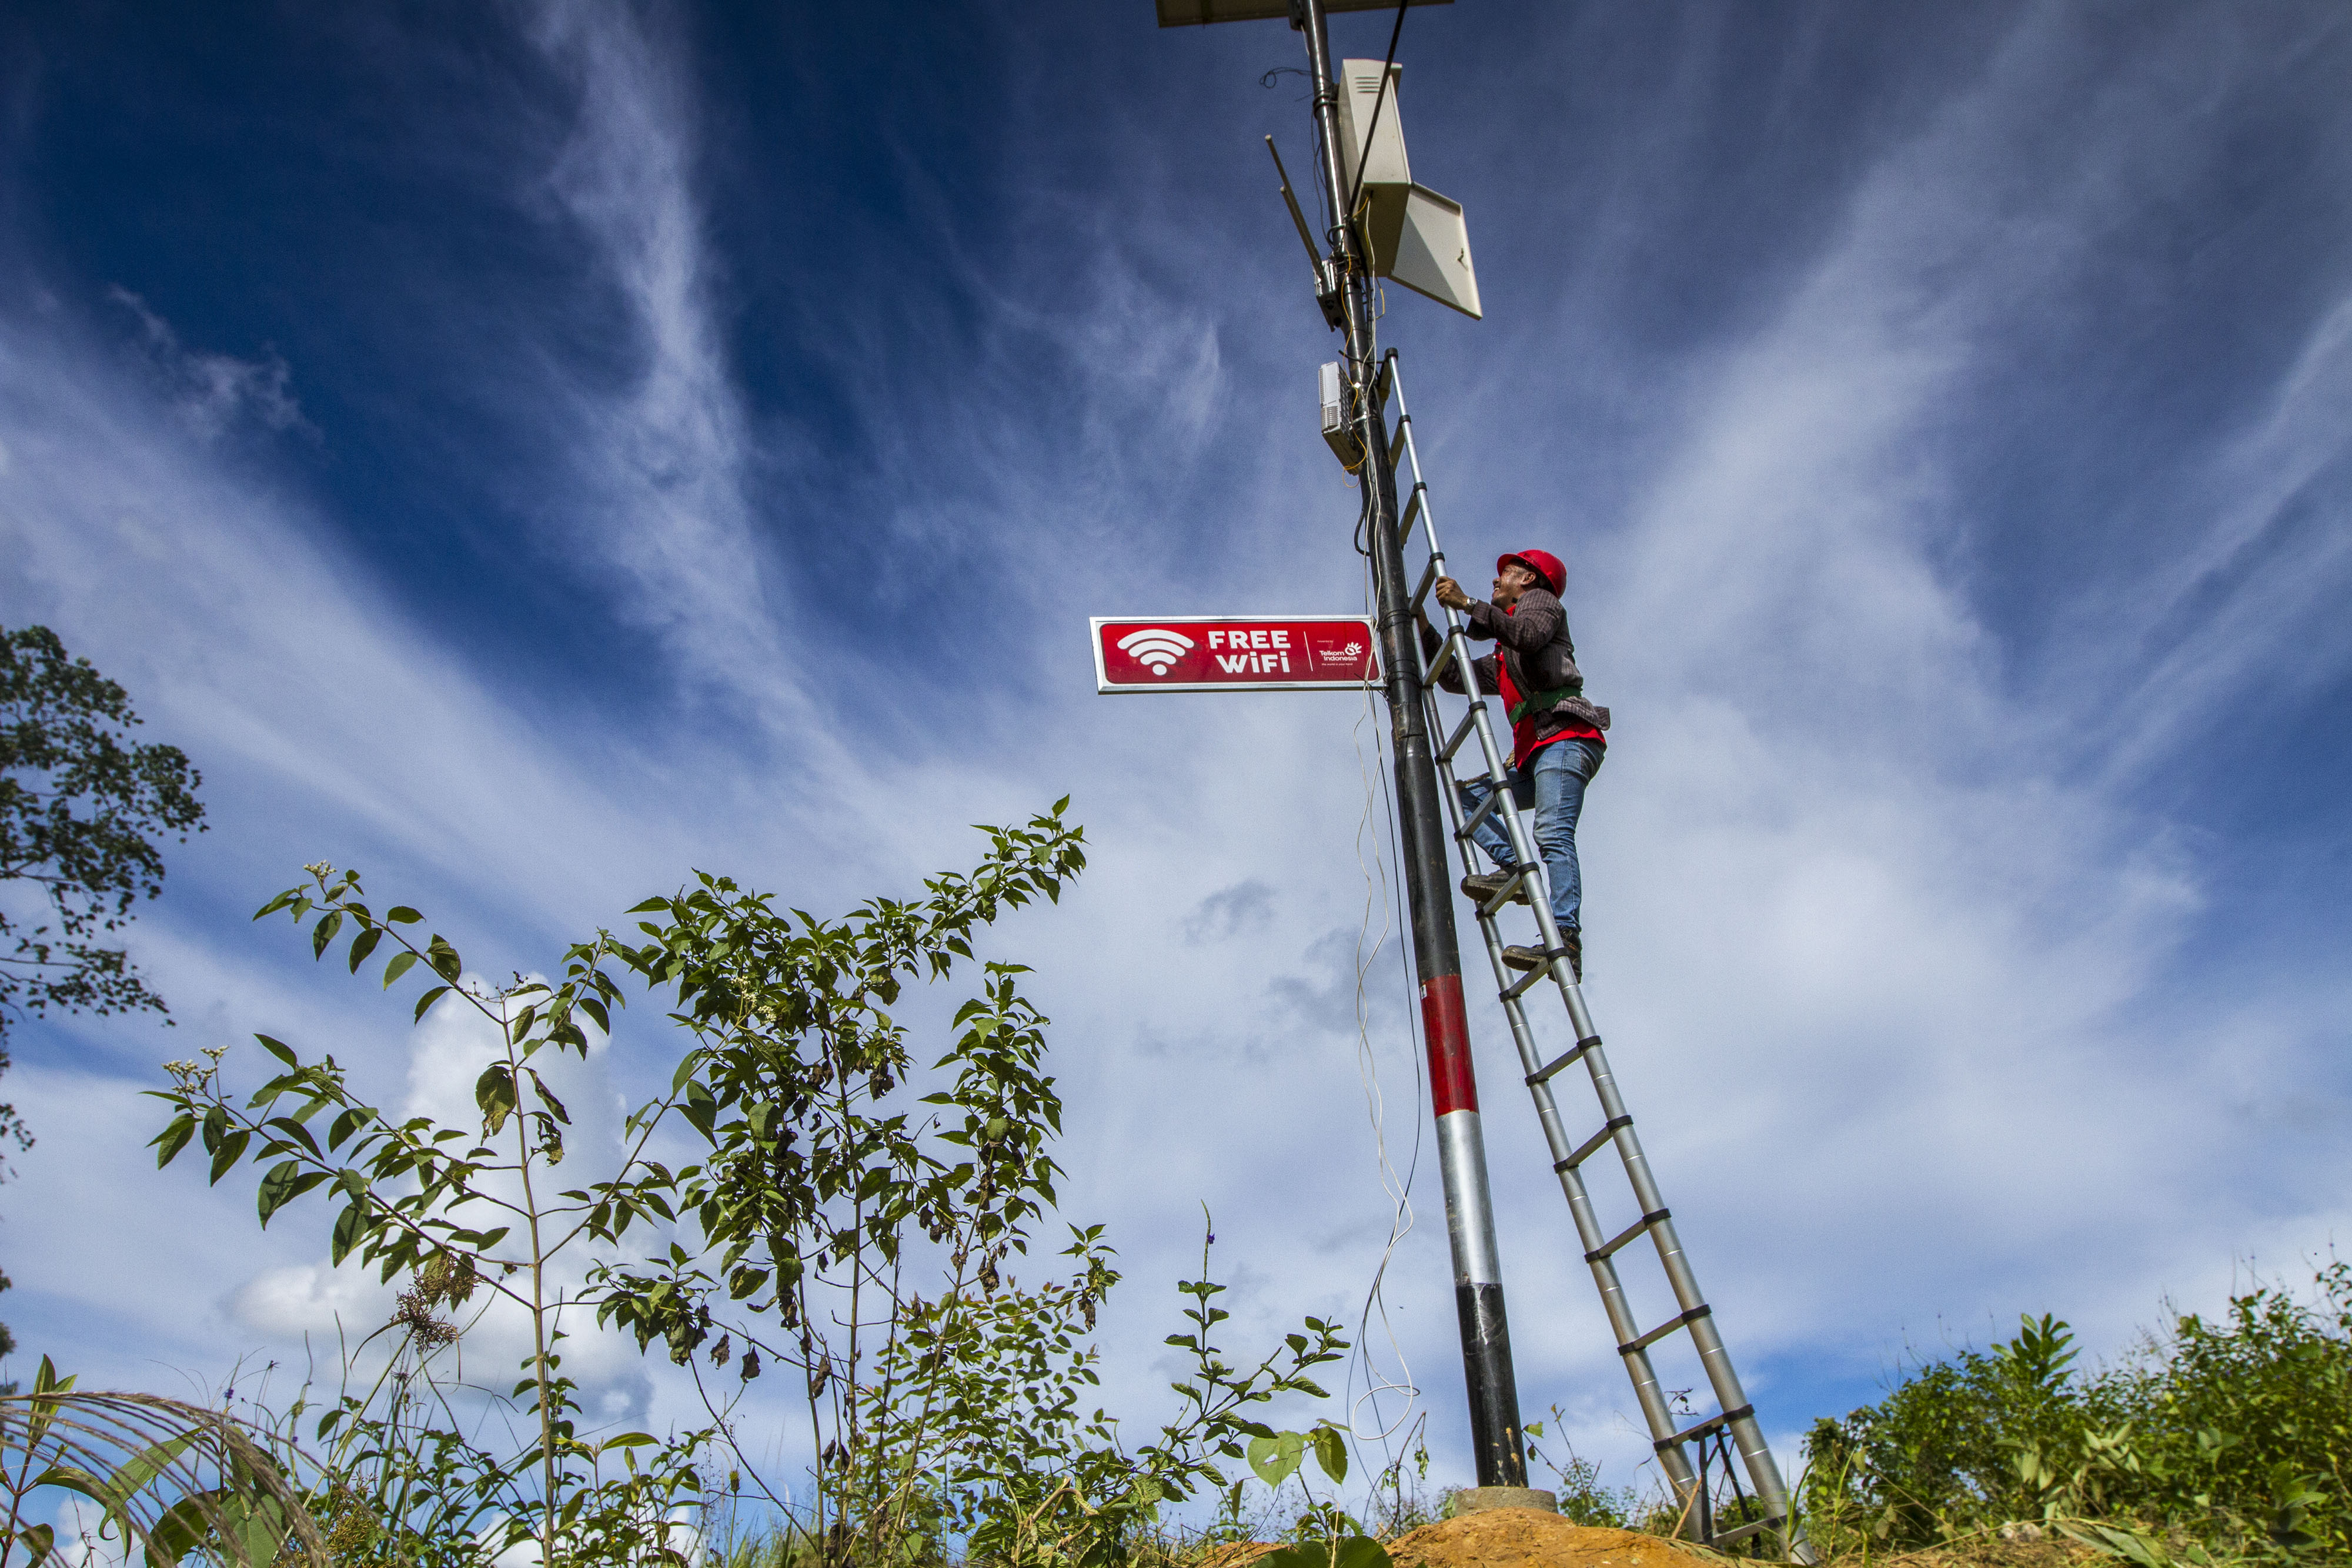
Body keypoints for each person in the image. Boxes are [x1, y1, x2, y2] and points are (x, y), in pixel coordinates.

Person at [1421, 549, 1609, 980]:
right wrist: (1422, 624)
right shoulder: (1506, 657)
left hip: (1565, 740)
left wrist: (1469, 605)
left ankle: (1566, 936)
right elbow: (1454, 677)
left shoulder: (1543, 606)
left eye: (1505, 573)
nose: (1495, 580)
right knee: (1470, 795)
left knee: (1551, 831)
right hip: (1536, 753)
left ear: (1528, 579)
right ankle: (1515, 870)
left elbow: (1526, 634)